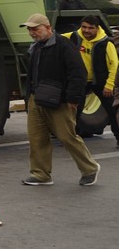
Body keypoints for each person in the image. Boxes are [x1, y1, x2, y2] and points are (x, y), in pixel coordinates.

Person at [21, 12, 100, 187]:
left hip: (60, 101)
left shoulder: (64, 46)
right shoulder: (35, 47)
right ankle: (40, 174)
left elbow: (78, 73)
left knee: (67, 137)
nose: (32, 33)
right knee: (36, 138)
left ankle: (89, 169)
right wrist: (29, 99)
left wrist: (73, 98)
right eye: (30, 30)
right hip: (37, 99)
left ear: (48, 28)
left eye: (35, 29)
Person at [67, 15, 119, 140]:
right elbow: (55, 38)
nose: (86, 30)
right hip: (81, 82)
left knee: (112, 111)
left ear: (97, 28)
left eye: (91, 28)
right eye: (84, 27)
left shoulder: (106, 43)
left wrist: (109, 85)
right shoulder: (73, 36)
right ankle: (71, 139)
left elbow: (114, 65)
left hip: (101, 83)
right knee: (74, 111)